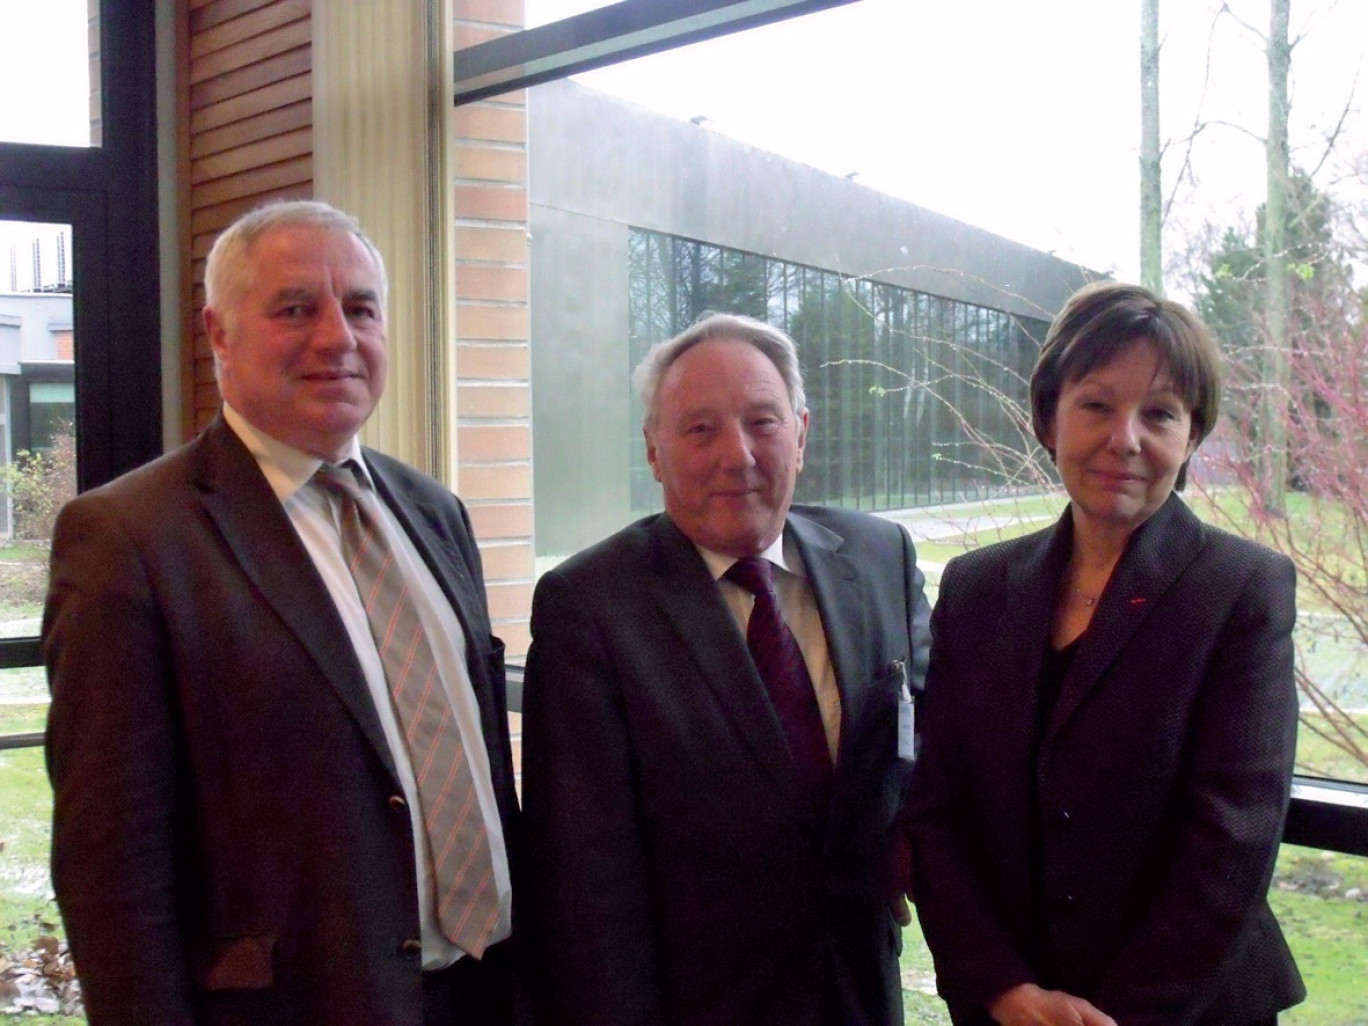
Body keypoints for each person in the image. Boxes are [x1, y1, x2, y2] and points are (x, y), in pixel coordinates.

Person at [43, 200, 522, 1026]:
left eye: (362, 308)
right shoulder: (130, 540)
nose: (337, 337)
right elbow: (112, 871)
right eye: (296, 308)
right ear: (219, 332)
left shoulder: (434, 511)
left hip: (490, 993)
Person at [908, 281, 1305, 1026]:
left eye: (1159, 414)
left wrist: (1117, 1017)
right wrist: (1000, 986)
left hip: (1186, 1009)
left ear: (1190, 438)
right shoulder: (977, 587)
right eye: (1096, 404)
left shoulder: (1242, 589)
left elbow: (1233, 835)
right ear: (1049, 418)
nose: (1125, 438)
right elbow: (939, 810)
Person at [519, 312, 932, 1025]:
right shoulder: (590, 609)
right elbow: (586, 888)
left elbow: (933, 750)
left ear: (801, 433)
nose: (736, 455)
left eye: (763, 422)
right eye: (699, 429)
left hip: (860, 995)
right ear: (653, 450)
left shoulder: (878, 557)